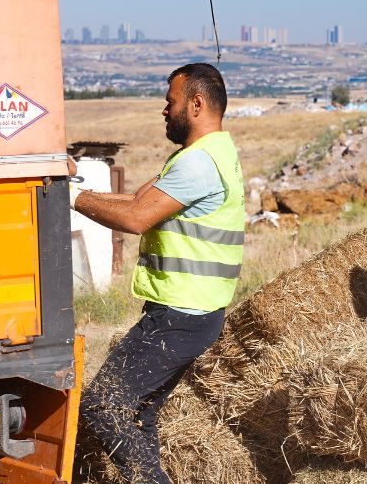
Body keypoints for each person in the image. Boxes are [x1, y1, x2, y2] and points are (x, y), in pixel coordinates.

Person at [71, 63, 244, 483]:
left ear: (197, 104)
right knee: (141, 412)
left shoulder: (198, 164)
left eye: (171, 101)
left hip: (182, 315)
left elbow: (135, 217)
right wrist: (74, 187)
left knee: (102, 404)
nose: (164, 110)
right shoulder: (206, 154)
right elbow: (136, 198)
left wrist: (74, 200)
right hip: (191, 311)